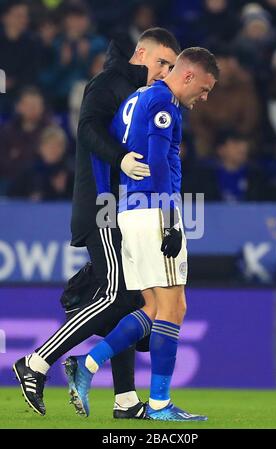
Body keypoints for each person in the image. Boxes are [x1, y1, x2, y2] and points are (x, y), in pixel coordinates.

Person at [13, 28, 180, 419]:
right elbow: (86, 129)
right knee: (113, 295)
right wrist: (121, 159)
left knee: (129, 301)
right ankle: (36, 363)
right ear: (140, 54)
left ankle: (125, 400)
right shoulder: (108, 83)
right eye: (161, 63)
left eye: (172, 66)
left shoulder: (145, 95)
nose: (165, 71)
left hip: (121, 210)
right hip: (101, 205)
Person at [64, 47, 218, 422]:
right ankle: (161, 405)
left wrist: (117, 196)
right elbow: (157, 164)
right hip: (154, 213)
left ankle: (87, 364)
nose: (205, 96)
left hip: (130, 212)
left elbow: (110, 147)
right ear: (188, 76)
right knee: (173, 308)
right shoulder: (165, 105)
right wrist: (169, 222)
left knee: (154, 307)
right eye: (205, 87)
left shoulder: (136, 98)